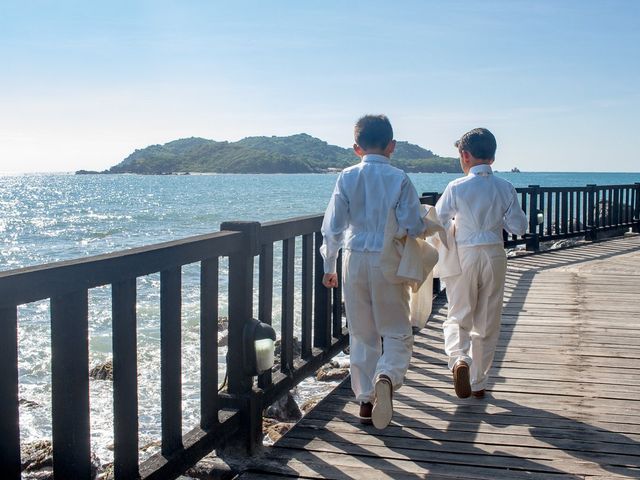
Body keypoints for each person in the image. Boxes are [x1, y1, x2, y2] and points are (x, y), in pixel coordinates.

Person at [321, 114, 426, 429]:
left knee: (362, 333)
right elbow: (414, 225)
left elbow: (333, 227)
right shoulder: (400, 178)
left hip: (353, 258)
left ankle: (365, 402)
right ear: (392, 146)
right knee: (396, 329)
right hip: (387, 259)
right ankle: (388, 375)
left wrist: (329, 265)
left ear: (356, 148)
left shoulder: (347, 177)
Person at [435, 128, 527, 399]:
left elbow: (438, 220)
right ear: (493, 157)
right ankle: (478, 383)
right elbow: (519, 227)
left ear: (465, 156)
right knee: (487, 321)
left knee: (458, 314)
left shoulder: (456, 187)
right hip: (494, 254)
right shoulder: (505, 187)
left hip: (464, 253)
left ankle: (459, 359)